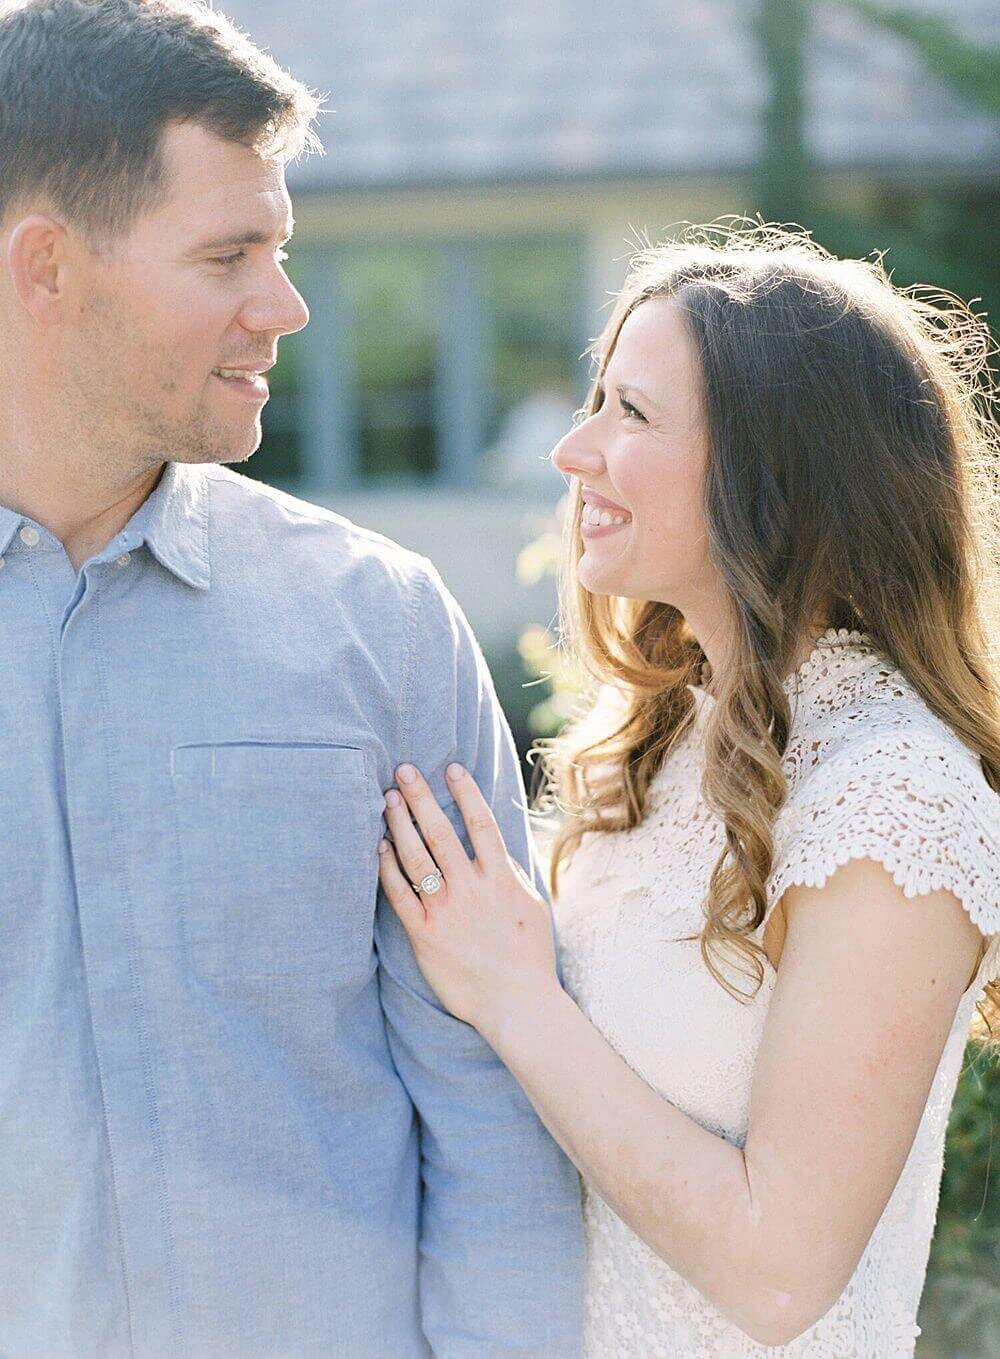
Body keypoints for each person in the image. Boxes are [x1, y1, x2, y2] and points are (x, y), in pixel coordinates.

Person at [0, 1, 585, 1355]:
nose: (289, 305)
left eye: (283, 247)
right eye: (230, 255)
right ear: (46, 268)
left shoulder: (379, 623)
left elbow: (492, 1103)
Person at [377, 222, 1000, 1357]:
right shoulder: (669, 744)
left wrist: (516, 999)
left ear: (776, 471)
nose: (574, 453)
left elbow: (777, 1275)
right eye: (595, 401)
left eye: (632, 414)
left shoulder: (894, 792)